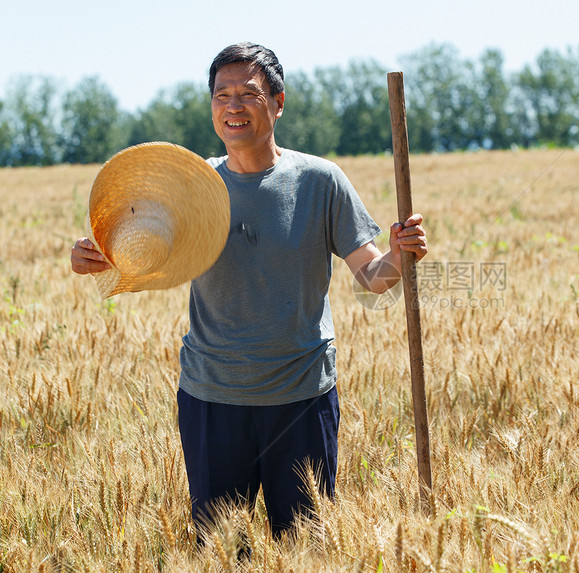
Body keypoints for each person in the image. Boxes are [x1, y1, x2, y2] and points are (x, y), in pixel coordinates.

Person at [70, 42, 428, 540]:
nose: (233, 106)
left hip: (302, 398)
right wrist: (92, 261)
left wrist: (399, 253)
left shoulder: (321, 182)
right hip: (213, 400)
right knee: (218, 550)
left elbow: (372, 278)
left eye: (248, 93)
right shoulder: (193, 188)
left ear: (278, 102)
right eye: (222, 95)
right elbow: (130, 262)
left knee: (309, 549)